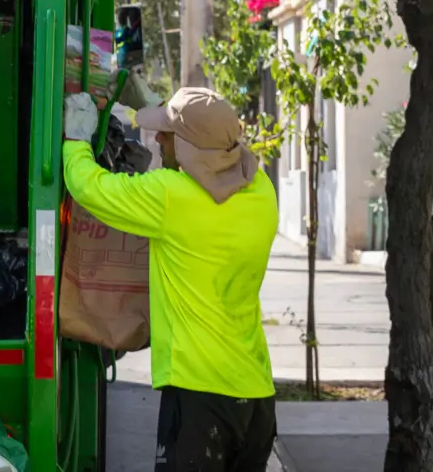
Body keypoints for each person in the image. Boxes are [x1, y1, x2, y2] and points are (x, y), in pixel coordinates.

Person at [63, 87, 278, 472]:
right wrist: (156, 108)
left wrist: (76, 140)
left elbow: (89, 187)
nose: (158, 138)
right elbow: (216, 143)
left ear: (192, 148)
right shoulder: (262, 191)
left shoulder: (171, 196)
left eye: (168, 133)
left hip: (201, 398)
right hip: (257, 397)